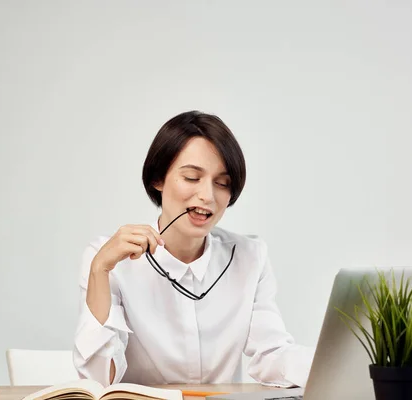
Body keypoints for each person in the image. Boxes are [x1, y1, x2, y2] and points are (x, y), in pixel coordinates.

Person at [73, 111, 313, 388]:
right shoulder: (110, 260)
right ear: (158, 179)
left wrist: (340, 364)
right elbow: (99, 380)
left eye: (222, 183)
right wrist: (99, 270)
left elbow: (272, 355)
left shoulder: (250, 256)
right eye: (191, 178)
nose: (208, 196)